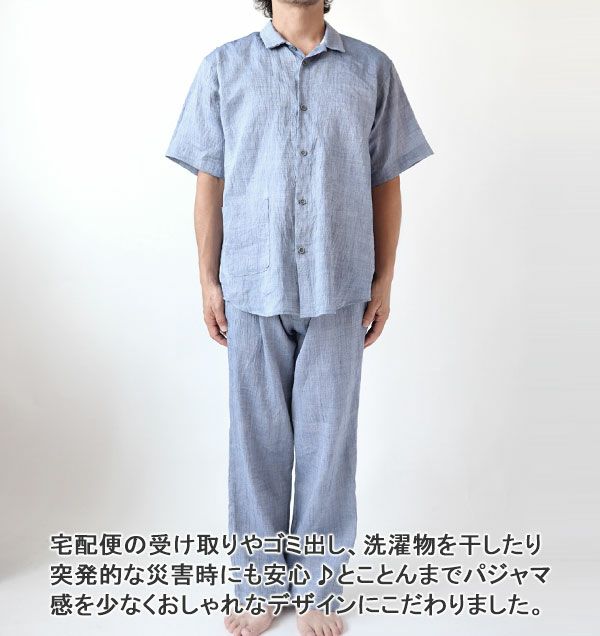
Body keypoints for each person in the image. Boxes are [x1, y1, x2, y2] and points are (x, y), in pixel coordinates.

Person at [165, 1, 433, 633]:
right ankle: (258, 585)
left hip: (339, 284)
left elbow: (386, 180)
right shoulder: (224, 67)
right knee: (256, 443)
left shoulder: (372, 69)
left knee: (327, 443)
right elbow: (210, 180)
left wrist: (384, 278)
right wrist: (207, 279)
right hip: (251, 283)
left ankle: (318, 587)